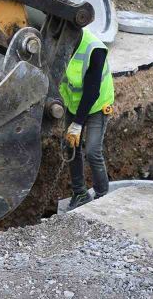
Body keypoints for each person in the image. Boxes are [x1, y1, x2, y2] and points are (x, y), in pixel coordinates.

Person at [60, 27, 115, 210]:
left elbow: (92, 92)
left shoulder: (94, 49)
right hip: (73, 102)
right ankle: (80, 193)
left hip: (97, 104)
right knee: (70, 145)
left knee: (92, 150)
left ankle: (102, 195)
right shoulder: (59, 42)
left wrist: (77, 123)